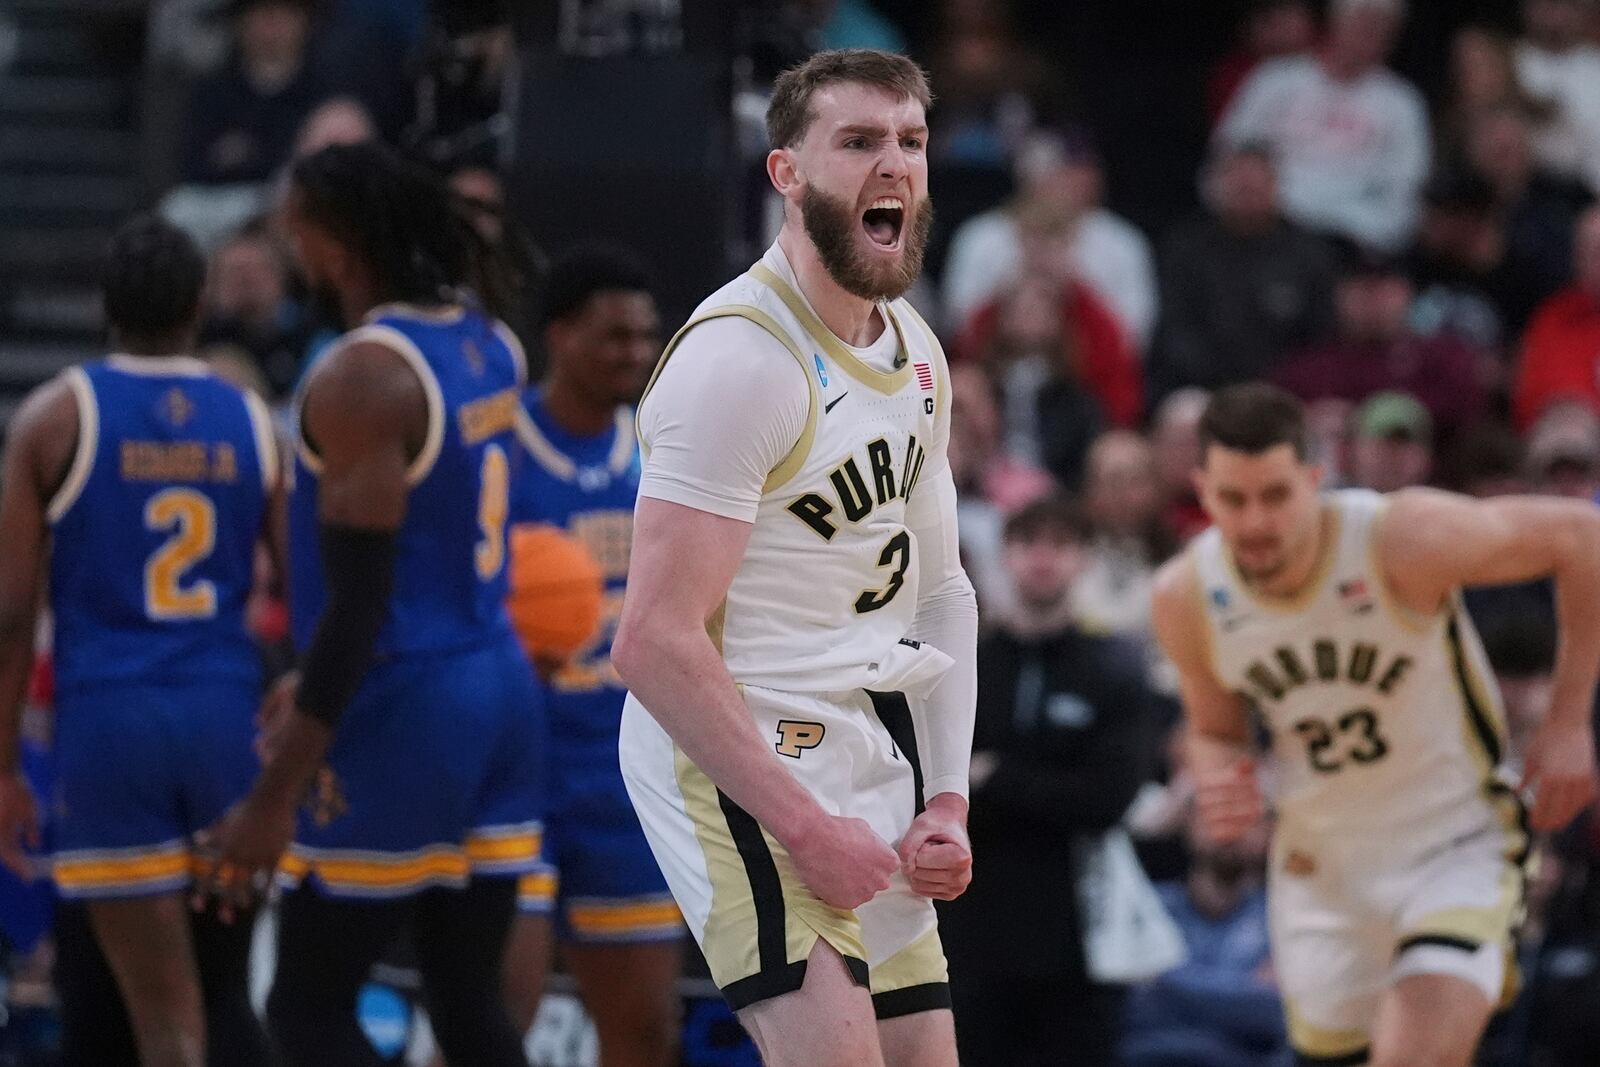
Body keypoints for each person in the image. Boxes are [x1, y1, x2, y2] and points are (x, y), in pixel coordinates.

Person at [611, 49, 978, 1067]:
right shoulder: (740, 361)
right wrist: (804, 822)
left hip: (857, 734)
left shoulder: (915, 349)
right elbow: (648, 641)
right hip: (732, 750)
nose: (892, 166)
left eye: (908, 141)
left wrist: (944, 795)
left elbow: (943, 593)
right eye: (857, 142)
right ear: (787, 173)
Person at [197, 141, 542, 1067]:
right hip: (497, 683)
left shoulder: (363, 377)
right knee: (469, 1002)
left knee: (306, 1008)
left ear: (338, 246)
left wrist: (273, 798)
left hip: (405, 703)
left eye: (296, 230)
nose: (289, 248)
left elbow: (360, 606)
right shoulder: (489, 339)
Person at [1151, 381, 1600, 1066]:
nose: (1256, 522)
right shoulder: (1186, 595)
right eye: (1233, 499)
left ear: (1314, 476)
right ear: (1202, 489)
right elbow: (1217, 728)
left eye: (1276, 495)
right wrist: (1220, 774)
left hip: (1453, 843)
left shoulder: (1400, 537)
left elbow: (1582, 537)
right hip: (1320, 871)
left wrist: (1570, 723)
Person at [0, 216, 276, 1067]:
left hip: (111, 722)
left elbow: (10, 610)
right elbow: (307, 598)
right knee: (224, 993)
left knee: (164, 1022)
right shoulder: (253, 417)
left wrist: (4, 762)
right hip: (226, 719)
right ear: (200, 302)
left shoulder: (54, 416)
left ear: (103, 307)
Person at [506, 246, 681, 1067]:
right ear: (559, 336)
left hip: (624, 776)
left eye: (645, 337)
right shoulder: (495, 450)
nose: (634, 353)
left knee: (646, 1034)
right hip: (513, 767)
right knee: (494, 1026)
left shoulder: (662, 455)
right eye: (614, 336)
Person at [939, 496, 1158, 1066]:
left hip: (1078, 941)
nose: (1043, 559)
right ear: (1005, 556)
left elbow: (1109, 797)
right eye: (1029, 543)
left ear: (1083, 559)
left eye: (1060, 545)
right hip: (972, 931)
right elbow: (935, 785)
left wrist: (995, 776)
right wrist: (1034, 785)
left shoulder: (1112, 668)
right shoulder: (964, 666)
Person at [1217, 0, 1431, 252]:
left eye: (1381, 27)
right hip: (1263, 234)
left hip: (1352, 245)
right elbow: (1226, 156)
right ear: (1336, 22)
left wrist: (1354, 229)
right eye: (1362, 23)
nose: (1369, 34)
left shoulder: (1402, 103)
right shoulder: (1274, 80)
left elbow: (1405, 194)